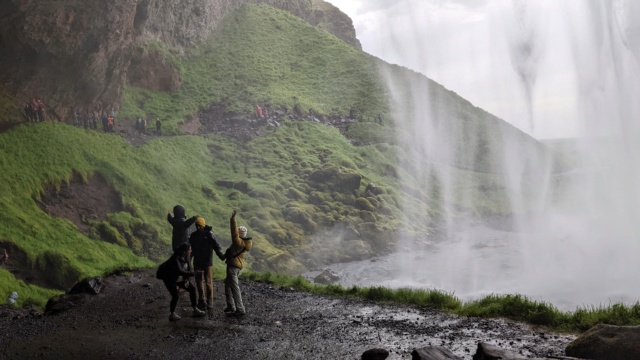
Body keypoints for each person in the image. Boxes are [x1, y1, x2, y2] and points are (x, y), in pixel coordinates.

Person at [160, 243, 206, 321]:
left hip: (178, 277)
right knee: (175, 295)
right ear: (185, 251)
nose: (191, 251)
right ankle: (172, 314)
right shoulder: (175, 259)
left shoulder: (187, 257)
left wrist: (187, 279)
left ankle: (195, 309)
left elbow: (189, 269)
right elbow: (180, 271)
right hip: (168, 278)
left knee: (192, 289)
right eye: (189, 250)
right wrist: (194, 273)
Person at [189, 217, 225, 310]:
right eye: (197, 225)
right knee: (199, 282)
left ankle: (209, 302)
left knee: (208, 282)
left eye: (199, 225)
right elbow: (191, 249)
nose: (198, 227)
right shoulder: (194, 235)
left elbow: (216, 246)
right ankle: (202, 301)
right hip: (198, 262)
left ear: (203, 225)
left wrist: (221, 256)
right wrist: (188, 258)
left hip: (207, 262)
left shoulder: (209, 234)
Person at [223, 210, 252, 316]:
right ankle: (231, 306)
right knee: (228, 286)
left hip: (233, 267)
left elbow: (233, 232)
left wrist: (233, 219)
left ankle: (240, 308)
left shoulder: (238, 242)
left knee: (234, 287)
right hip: (236, 266)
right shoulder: (245, 243)